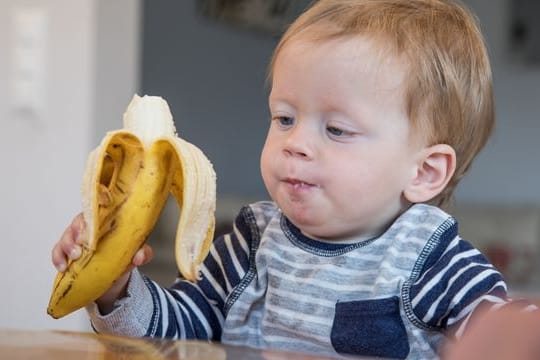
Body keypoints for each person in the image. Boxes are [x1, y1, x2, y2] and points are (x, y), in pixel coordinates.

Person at [51, 0, 537, 358]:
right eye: (284, 118)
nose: (295, 142)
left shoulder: (431, 258)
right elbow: (173, 335)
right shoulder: (248, 245)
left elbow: (502, 332)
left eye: (337, 129)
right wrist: (115, 286)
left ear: (424, 172)